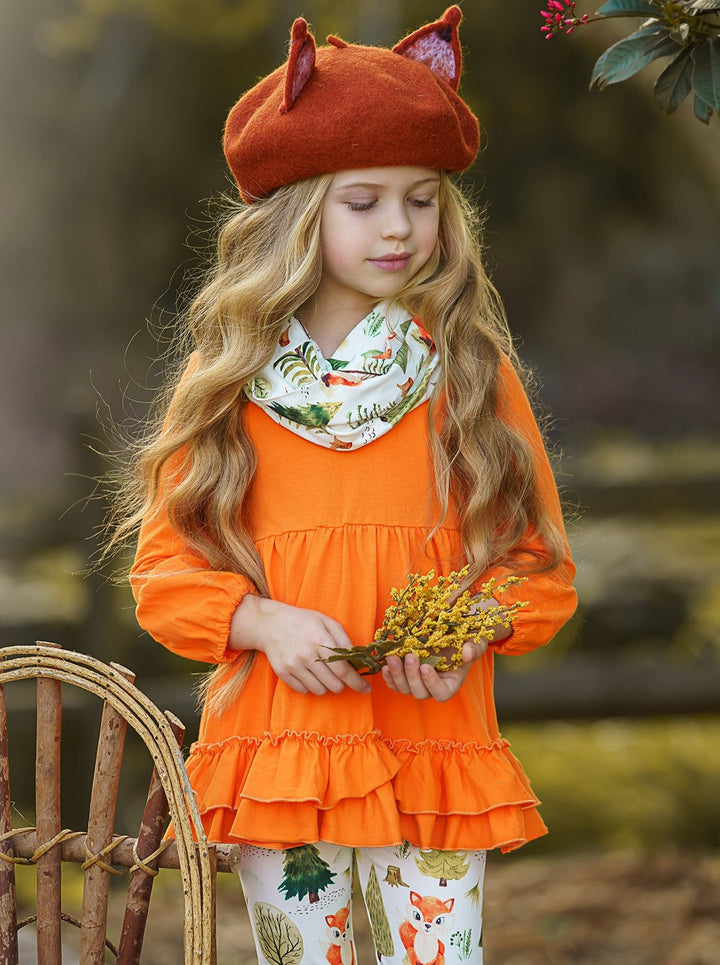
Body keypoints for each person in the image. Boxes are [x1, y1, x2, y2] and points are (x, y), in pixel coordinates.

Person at [118, 7, 577, 963]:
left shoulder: (468, 375)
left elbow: (538, 563)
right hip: (281, 751)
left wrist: (469, 629)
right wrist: (263, 623)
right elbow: (163, 575)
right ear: (296, 213)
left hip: (434, 743)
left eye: (422, 199)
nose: (400, 226)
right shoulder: (226, 384)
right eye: (363, 201)